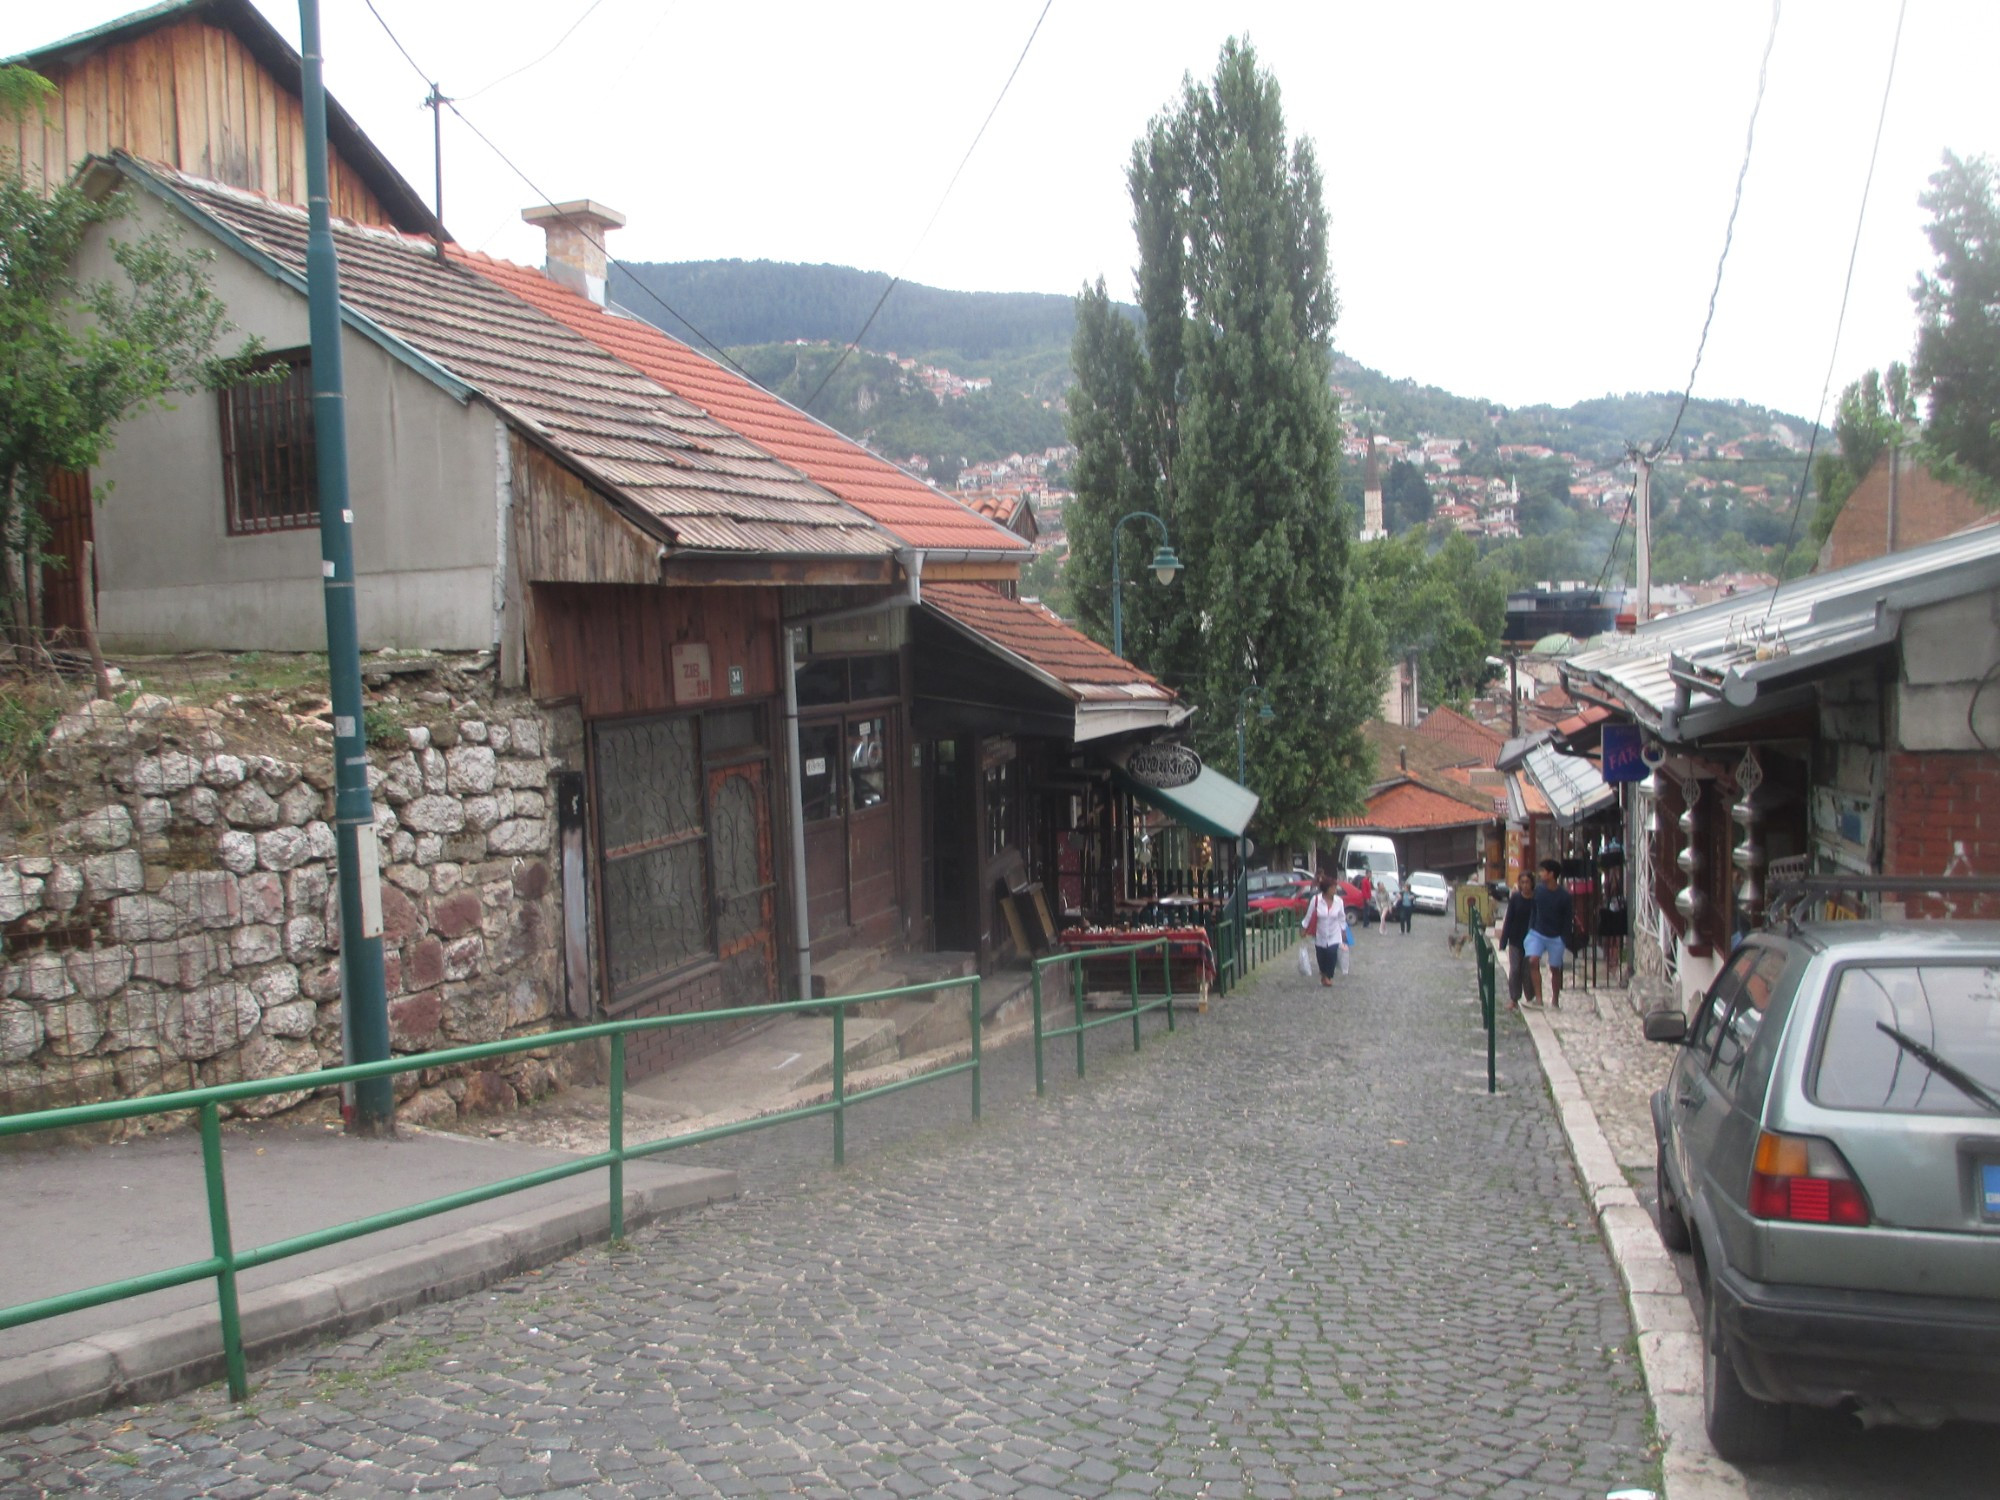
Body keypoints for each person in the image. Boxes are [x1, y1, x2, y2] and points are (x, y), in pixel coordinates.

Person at [1524, 858, 1574, 1009]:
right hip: (1537, 933)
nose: (1540, 874)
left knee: (1554, 968)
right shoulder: (1538, 890)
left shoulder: (1564, 896)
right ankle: (1539, 999)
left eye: (1543, 871)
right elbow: (1533, 909)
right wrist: (1531, 928)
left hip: (1556, 937)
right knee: (1533, 960)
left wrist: (1564, 938)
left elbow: (1567, 918)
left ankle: (1555, 1000)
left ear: (1551, 874)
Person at [1299, 873, 1348, 988]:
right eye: (1333, 888)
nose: (1335, 890)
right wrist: (1304, 929)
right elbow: (1309, 916)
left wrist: (1343, 931)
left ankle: (1328, 977)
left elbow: (1342, 918)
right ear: (1326, 889)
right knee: (1321, 957)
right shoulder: (1316, 900)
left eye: (1336, 887)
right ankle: (1323, 973)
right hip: (1319, 934)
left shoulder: (1339, 902)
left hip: (1334, 934)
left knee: (1332, 954)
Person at [1498, 871, 1536, 1008]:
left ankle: (1530, 996)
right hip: (1515, 939)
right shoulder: (1515, 898)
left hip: (1531, 940)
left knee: (1527, 970)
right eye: (1522, 882)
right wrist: (1503, 940)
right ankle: (1514, 998)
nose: (1525, 885)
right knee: (1514, 969)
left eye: (1527, 882)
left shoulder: (1536, 899)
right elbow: (1509, 919)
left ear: (1532, 883)